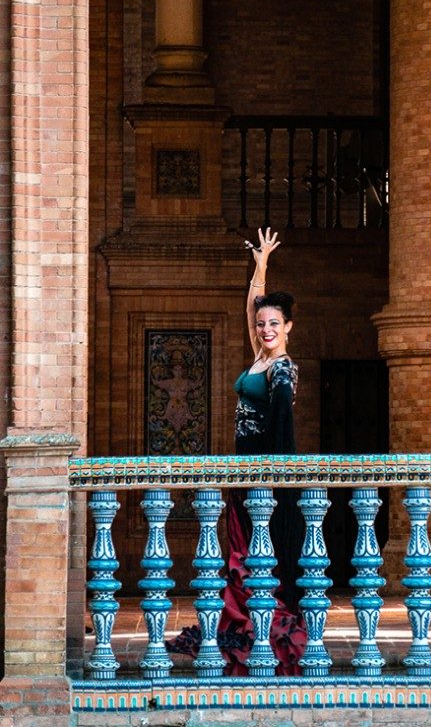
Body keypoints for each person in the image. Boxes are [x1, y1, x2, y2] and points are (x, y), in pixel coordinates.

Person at [169, 226, 306, 675]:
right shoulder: (260, 358)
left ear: (288, 326)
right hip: (244, 466)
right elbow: (251, 307)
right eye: (262, 324)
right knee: (241, 549)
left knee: (252, 552)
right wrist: (261, 265)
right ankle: (242, 620)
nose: (265, 328)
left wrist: (269, 473)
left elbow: (282, 425)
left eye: (274, 323)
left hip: (260, 471)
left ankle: (261, 629)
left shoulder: (282, 368)